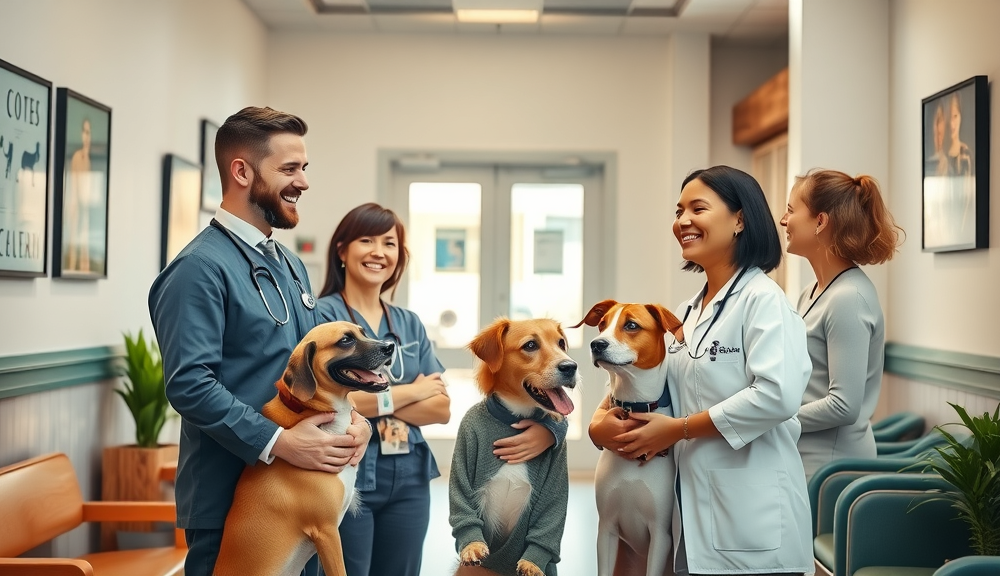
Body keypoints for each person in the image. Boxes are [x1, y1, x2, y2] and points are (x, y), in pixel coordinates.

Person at [148, 106, 372, 576]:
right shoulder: (198, 270)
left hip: (305, 497)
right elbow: (190, 384)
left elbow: (313, 372)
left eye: (304, 168)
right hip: (234, 504)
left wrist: (351, 426)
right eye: (289, 169)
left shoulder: (288, 264)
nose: (303, 182)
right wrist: (278, 443)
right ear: (242, 171)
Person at [315, 202, 566, 576]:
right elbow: (329, 403)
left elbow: (441, 409)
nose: (378, 252)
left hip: (409, 473)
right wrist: (412, 392)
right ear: (342, 250)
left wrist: (374, 402)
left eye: (390, 243)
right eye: (366, 240)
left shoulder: (408, 322)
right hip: (349, 468)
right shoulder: (321, 318)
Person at [601, 165, 814, 576]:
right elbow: (645, 376)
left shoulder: (764, 301)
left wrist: (678, 429)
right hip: (692, 519)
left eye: (697, 208)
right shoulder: (686, 312)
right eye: (678, 211)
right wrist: (598, 422)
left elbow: (777, 396)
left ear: (739, 219)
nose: (682, 221)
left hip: (753, 521)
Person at [780, 169, 902, 479]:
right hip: (803, 455)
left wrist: (772, 418)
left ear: (820, 221)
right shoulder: (811, 292)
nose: (783, 220)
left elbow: (844, 406)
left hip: (830, 468)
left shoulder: (848, 298)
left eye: (792, 211)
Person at [63, 118, 92, 272]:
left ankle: (82, 269)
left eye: (89, 133)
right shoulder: (76, 158)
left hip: (84, 208)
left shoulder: (88, 160)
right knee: (74, 243)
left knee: (84, 246)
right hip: (76, 207)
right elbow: (73, 186)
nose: (87, 137)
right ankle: (72, 267)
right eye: (85, 132)